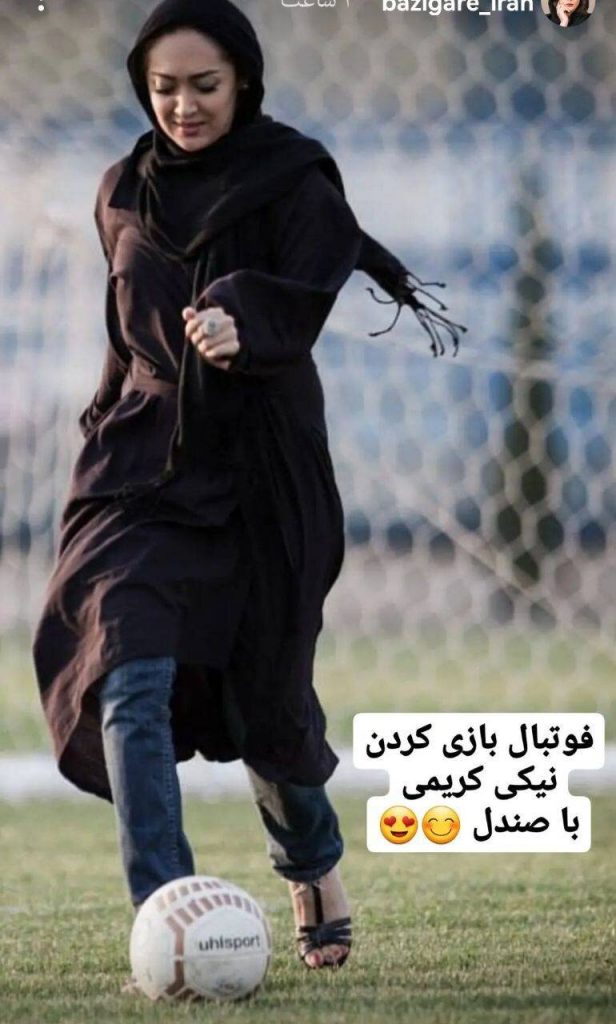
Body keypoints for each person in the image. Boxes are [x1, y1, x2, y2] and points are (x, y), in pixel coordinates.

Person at [31, 0, 464, 990]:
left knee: (262, 700)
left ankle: (311, 866)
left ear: (245, 84)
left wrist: (240, 317)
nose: (183, 106)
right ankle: (167, 913)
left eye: (205, 86)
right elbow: (124, 325)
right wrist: (113, 413)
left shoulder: (294, 178)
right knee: (127, 665)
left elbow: (307, 288)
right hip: (143, 467)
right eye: (164, 88)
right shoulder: (121, 190)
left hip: (262, 468)